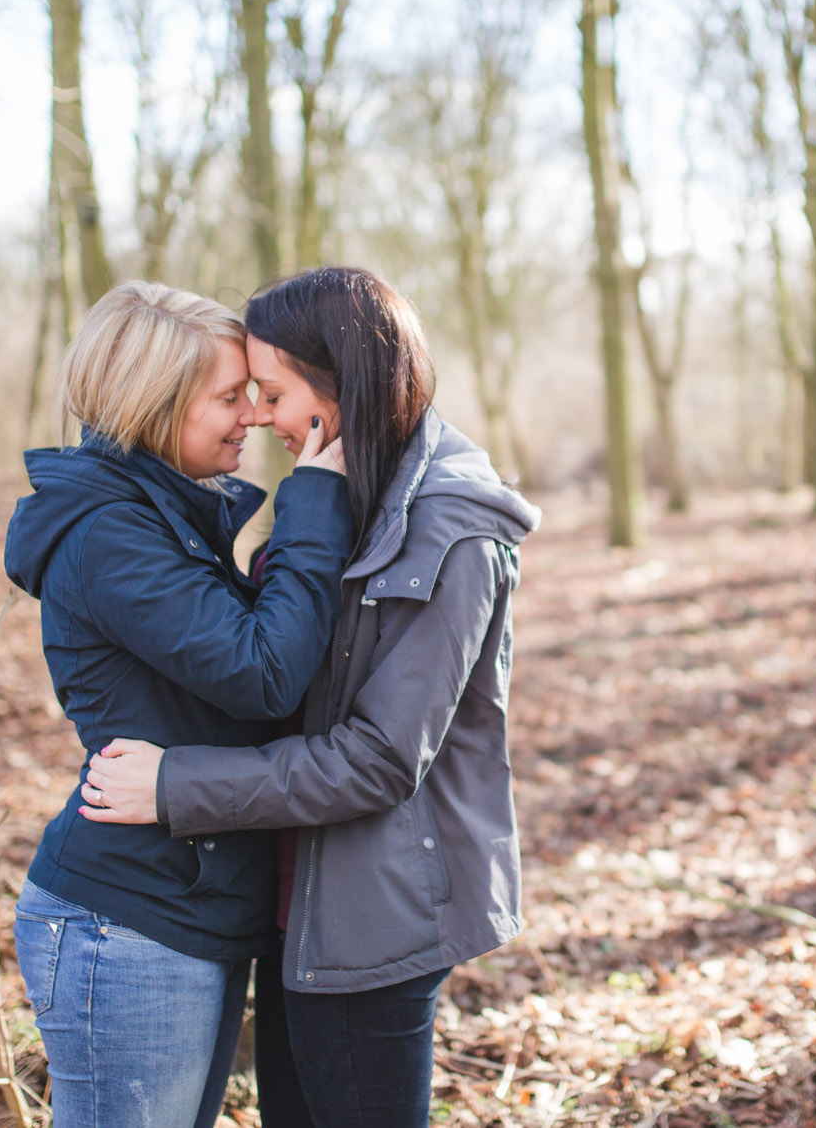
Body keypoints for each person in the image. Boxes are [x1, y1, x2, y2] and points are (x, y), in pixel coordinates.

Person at [81, 266, 540, 1128]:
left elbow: (377, 758)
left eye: (273, 391)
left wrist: (177, 784)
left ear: (339, 393)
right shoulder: (352, 500)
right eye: (247, 392)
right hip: (302, 908)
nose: (258, 414)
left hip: (372, 922)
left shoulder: (452, 532)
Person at [3, 281, 349, 1128]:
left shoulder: (161, 519)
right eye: (230, 397)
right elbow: (265, 671)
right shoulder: (109, 535)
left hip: (184, 907)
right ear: (157, 406)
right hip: (127, 923)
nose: (252, 417)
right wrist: (313, 498)